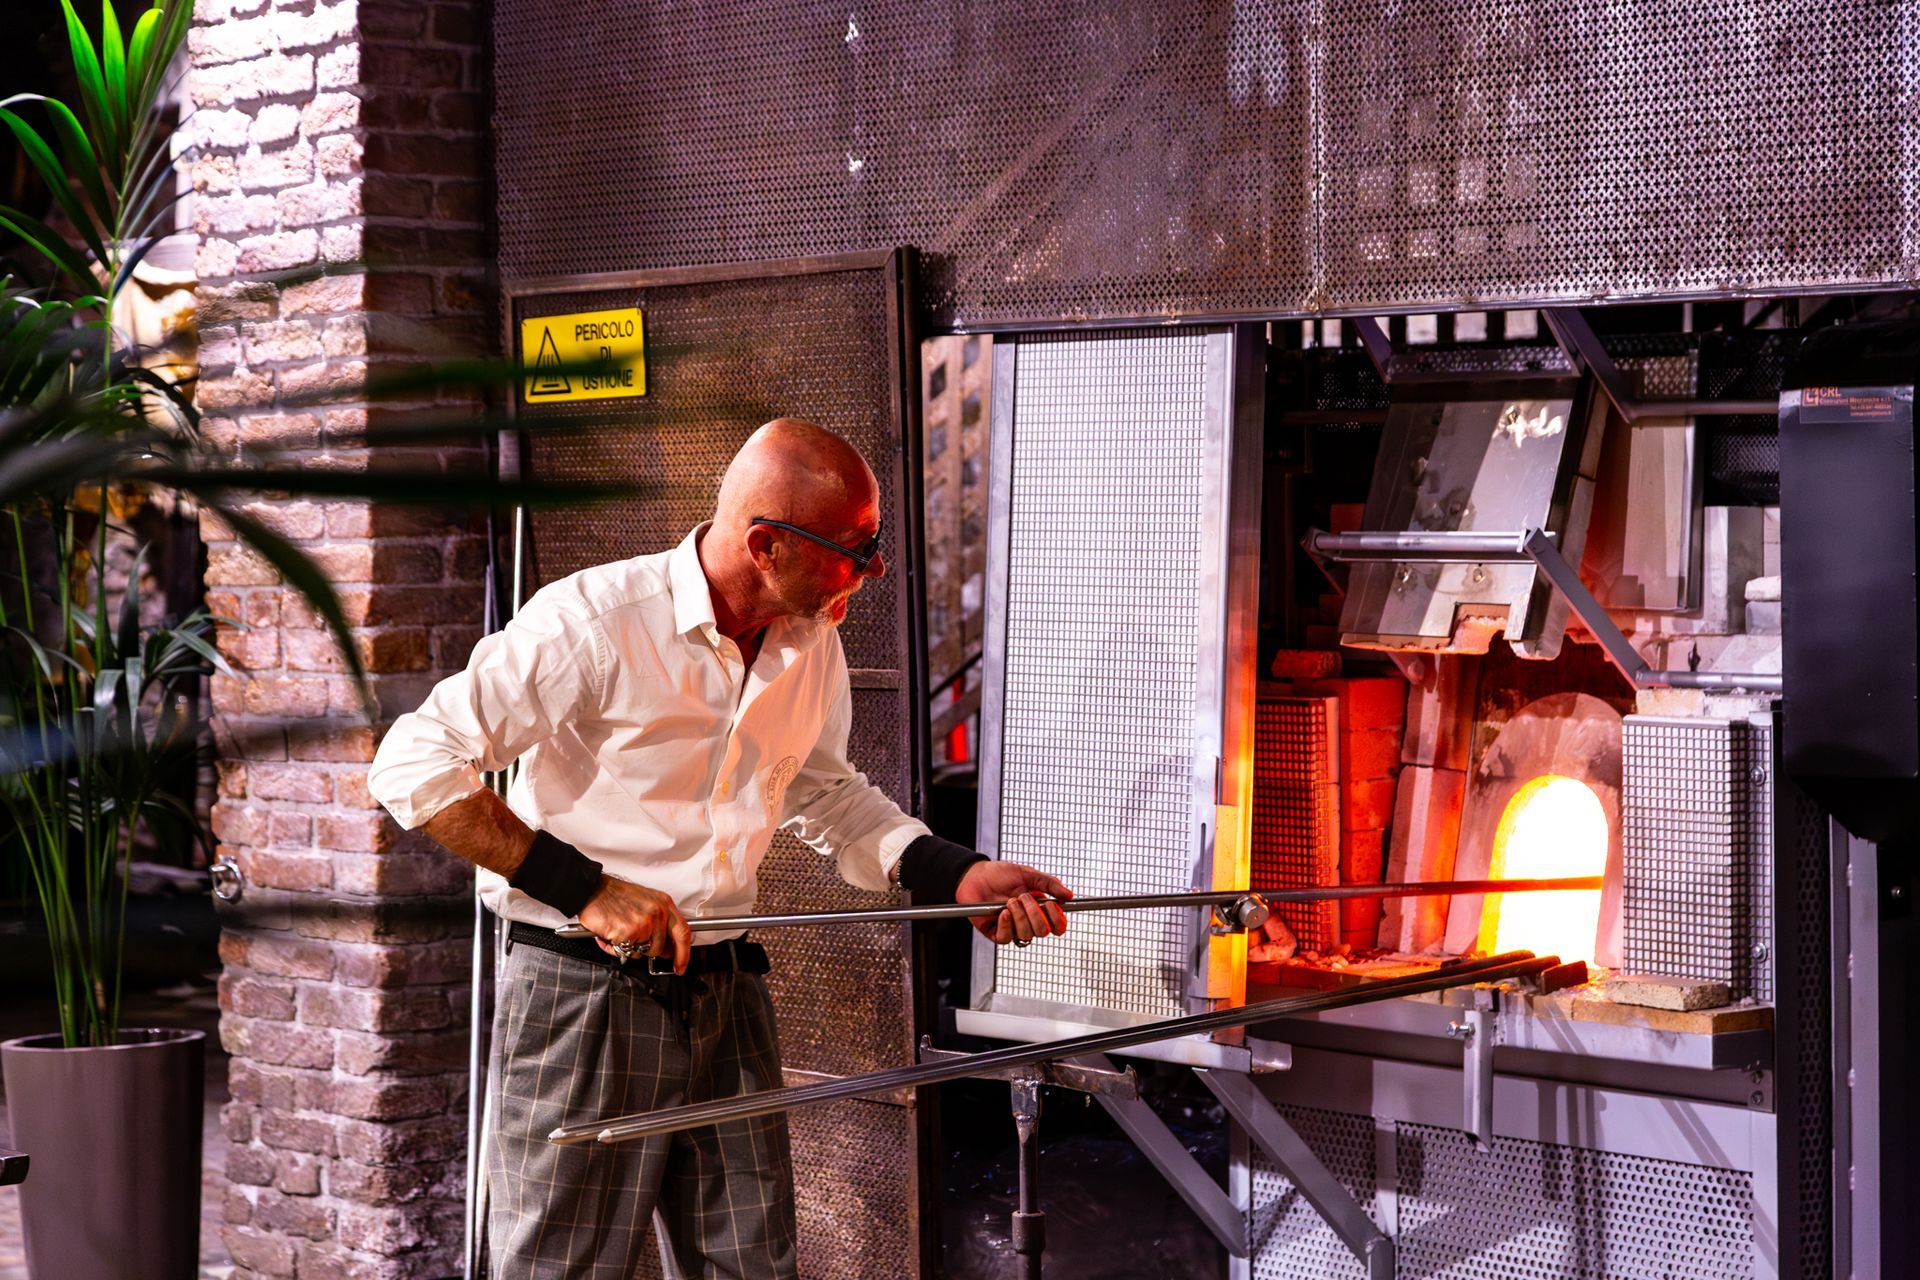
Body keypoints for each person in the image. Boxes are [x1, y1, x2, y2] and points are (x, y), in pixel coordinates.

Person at [367, 419, 1071, 1279]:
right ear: (767, 544)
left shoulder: (810, 640)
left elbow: (822, 790)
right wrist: (585, 888)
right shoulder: (594, 623)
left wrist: (953, 871)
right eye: (856, 546)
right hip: (581, 994)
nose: (876, 567)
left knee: (752, 1266)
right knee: (566, 1269)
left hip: (727, 991)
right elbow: (413, 763)